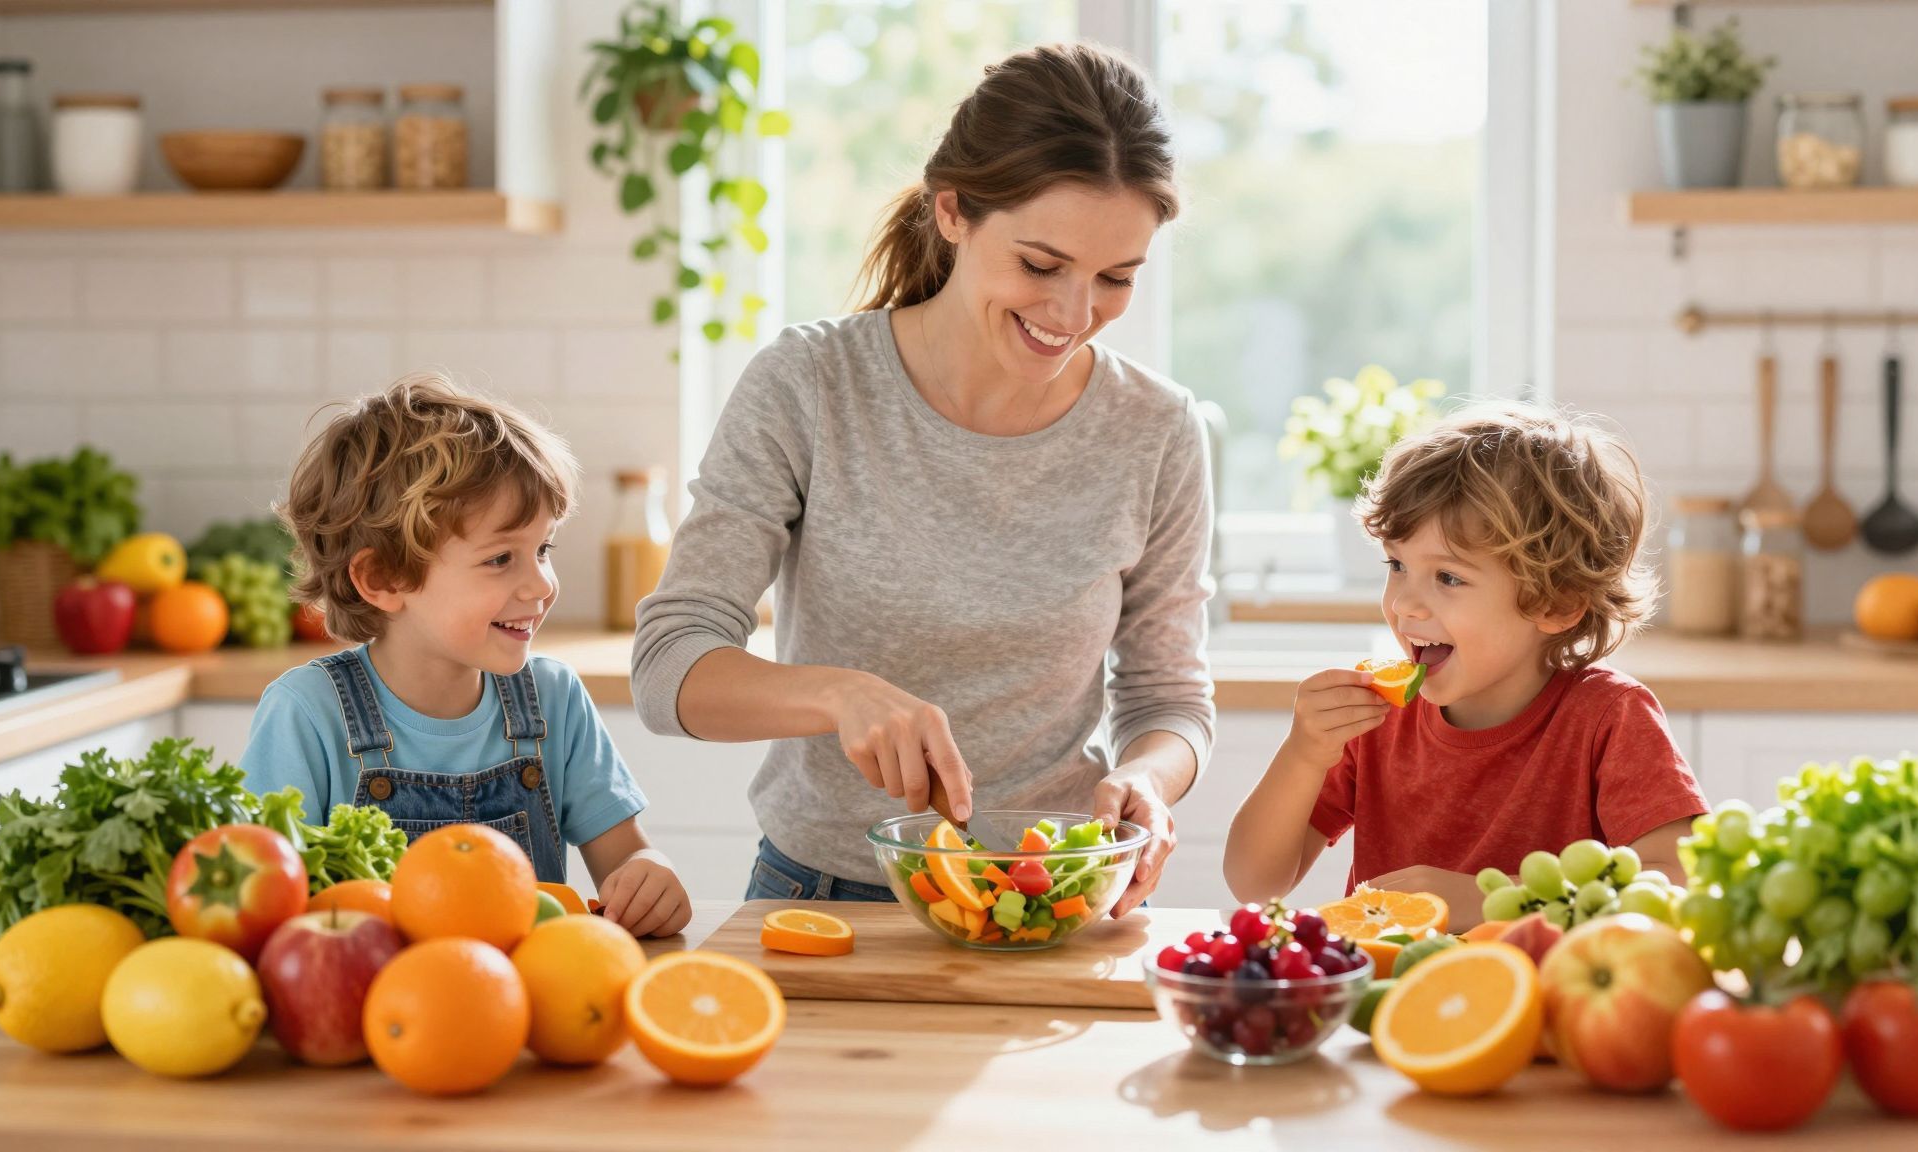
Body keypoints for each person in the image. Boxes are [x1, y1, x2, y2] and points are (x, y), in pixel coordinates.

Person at [632, 44, 1213, 911]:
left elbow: (1169, 696)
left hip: (1052, 894)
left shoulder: (1157, 428)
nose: (1074, 313)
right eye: (1041, 265)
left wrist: (1148, 780)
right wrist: (839, 694)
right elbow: (667, 666)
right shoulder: (812, 384)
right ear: (952, 212)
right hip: (825, 895)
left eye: (1116, 278)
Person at [1224, 403, 1708, 928]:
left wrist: (1491, 899)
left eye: (1448, 578)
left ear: (1556, 603)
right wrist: (1303, 753)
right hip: (1394, 981)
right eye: (1397, 564)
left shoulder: (1610, 717)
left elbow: (1673, 881)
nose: (1404, 603)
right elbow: (1254, 883)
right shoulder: (1375, 720)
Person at [242, 371, 691, 937]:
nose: (542, 584)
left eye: (543, 548)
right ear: (383, 578)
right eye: (500, 559)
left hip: (527, 990)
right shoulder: (307, 713)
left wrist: (651, 875)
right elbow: (262, 906)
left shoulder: (553, 700)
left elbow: (627, 858)